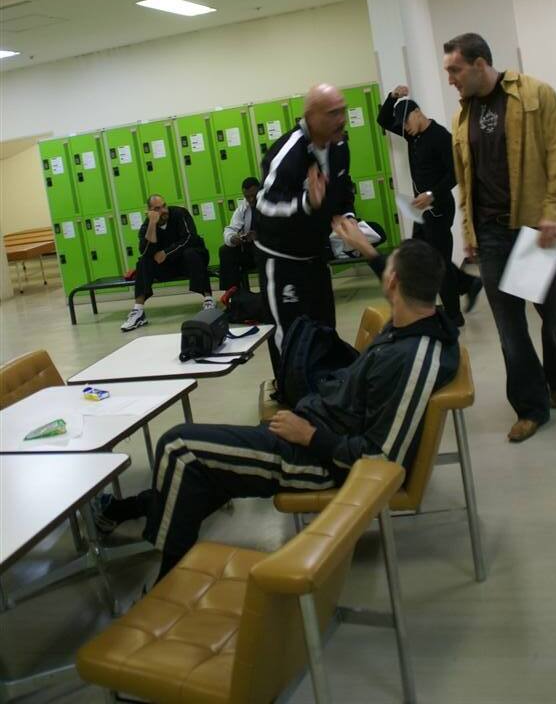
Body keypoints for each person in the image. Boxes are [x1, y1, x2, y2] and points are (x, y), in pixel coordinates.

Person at [94, 232, 459, 580]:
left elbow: (382, 461)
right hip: (313, 427)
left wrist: (310, 435)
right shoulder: (414, 321)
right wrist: (365, 248)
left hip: (321, 461)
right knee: (204, 464)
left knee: (179, 447)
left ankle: (168, 580)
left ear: (393, 283)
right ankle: (132, 510)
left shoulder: (413, 356)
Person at [443, 32, 556, 443]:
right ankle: (530, 407)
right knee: (509, 327)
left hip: (535, 227)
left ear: (480, 63)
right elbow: (465, 182)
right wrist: (469, 230)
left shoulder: (535, 94)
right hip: (492, 234)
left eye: (455, 69)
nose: (450, 79)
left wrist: (555, 214)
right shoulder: (461, 118)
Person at [254, 83, 356, 367]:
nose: (342, 119)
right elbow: (264, 204)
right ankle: (291, 392)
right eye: (333, 113)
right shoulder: (288, 152)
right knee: (290, 339)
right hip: (282, 260)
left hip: (315, 257)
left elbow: (342, 189)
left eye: (343, 111)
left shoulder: (340, 146)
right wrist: (306, 203)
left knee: (324, 331)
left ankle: (325, 389)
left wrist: (347, 216)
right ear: (311, 116)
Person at [377, 85, 482, 326]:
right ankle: (468, 283)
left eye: (406, 123)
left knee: (438, 263)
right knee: (423, 256)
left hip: (439, 208)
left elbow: (456, 172)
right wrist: (393, 97)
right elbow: (383, 120)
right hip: (421, 210)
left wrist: (432, 194)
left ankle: (454, 315)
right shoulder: (412, 135)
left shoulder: (441, 137)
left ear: (417, 113)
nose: (404, 129)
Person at [120, 194, 213, 332]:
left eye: (164, 206)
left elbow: (190, 238)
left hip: (186, 261)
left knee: (192, 253)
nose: (163, 210)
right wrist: (152, 224)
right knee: (143, 262)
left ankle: (208, 300)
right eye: (157, 208)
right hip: (166, 266)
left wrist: (166, 253)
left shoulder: (180, 213)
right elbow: (145, 251)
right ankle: (138, 311)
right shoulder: (147, 226)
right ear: (150, 211)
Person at [218, 176, 260, 293]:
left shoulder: (271, 204)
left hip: (269, 249)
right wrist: (233, 238)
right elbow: (230, 229)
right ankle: (233, 293)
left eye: (254, 195)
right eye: (247, 197)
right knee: (225, 251)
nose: (251, 199)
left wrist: (259, 235)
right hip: (251, 251)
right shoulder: (243, 209)